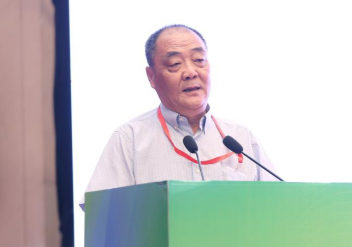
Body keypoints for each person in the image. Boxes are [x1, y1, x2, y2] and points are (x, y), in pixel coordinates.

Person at [82, 24, 278, 208]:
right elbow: (101, 214)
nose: (191, 72)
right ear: (151, 77)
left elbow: (277, 206)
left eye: (199, 60)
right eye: (175, 64)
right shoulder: (129, 139)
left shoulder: (242, 139)